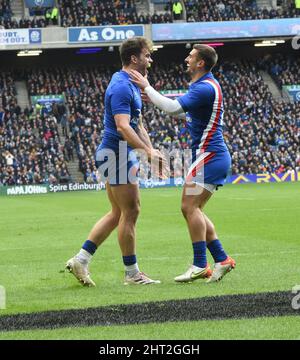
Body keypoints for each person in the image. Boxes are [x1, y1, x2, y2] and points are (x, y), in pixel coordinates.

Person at [129, 44, 236, 283]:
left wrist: (147, 87)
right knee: (193, 209)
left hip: (210, 156)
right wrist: (153, 96)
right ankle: (222, 259)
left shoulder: (204, 88)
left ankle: (200, 264)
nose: (186, 59)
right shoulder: (205, 86)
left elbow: (173, 107)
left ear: (200, 63)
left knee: (189, 208)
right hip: (211, 156)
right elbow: (186, 114)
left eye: (191, 56)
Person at [66, 37, 166, 287]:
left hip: (117, 152)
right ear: (134, 58)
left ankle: (81, 259)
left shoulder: (131, 84)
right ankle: (132, 274)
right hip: (117, 153)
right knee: (131, 212)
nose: (150, 60)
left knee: (117, 213)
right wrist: (147, 152)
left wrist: (150, 152)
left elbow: (137, 124)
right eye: (147, 55)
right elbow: (122, 126)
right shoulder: (122, 86)